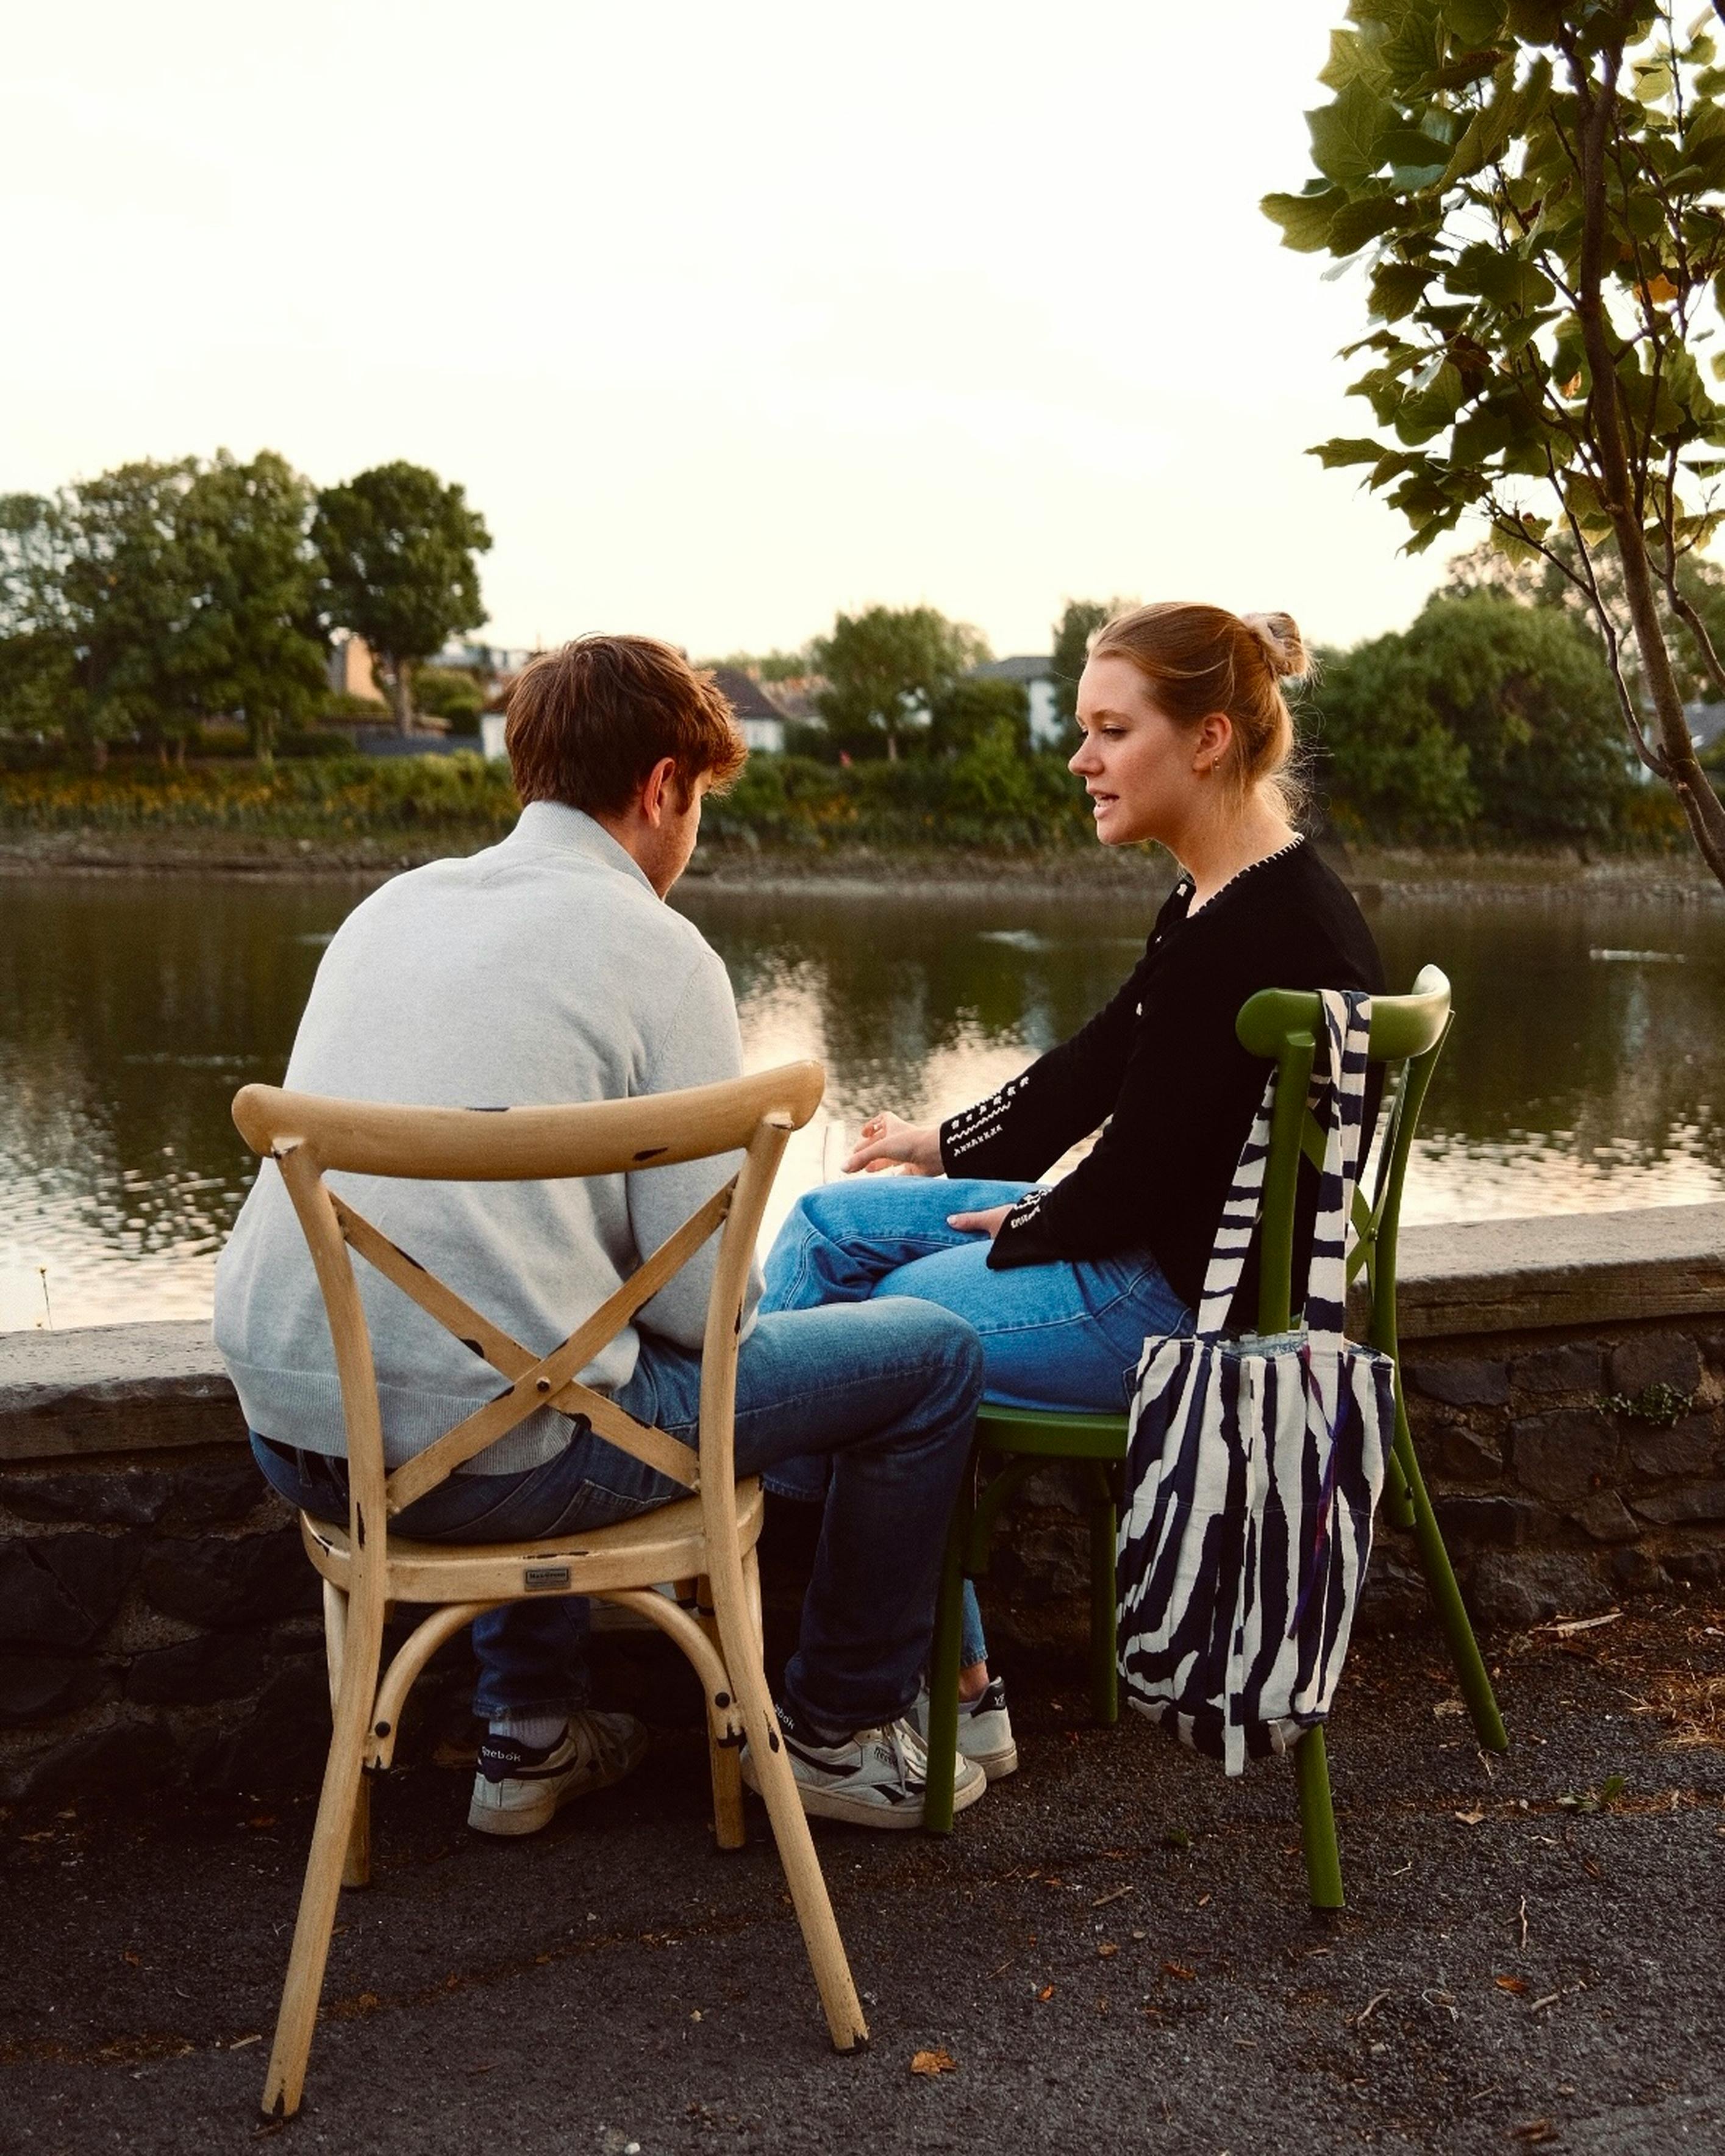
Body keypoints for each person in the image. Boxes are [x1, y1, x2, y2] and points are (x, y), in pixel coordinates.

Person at [214, 635, 989, 1837]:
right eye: (698, 807)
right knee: (927, 1355)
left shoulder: (388, 908)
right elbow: (697, 1315)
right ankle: (838, 1731)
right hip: (496, 1470)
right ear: (663, 785)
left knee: (542, 1329)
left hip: (300, 1441)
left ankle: (525, 1735)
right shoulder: (659, 951)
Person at [761, 602, 1384, 1763]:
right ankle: (921, 1653)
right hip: (1142, 1256)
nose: (1079, 757)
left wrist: (1035, 1218)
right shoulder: (1230, 893)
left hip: (1170, 1309)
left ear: (1205, 740)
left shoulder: (1264, 936)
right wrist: (950, 1142)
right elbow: (1108, 1058)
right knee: (825, 1225)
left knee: (856, 1341)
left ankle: (829, 1637)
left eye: (1109, 729)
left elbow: (1137, 1178)